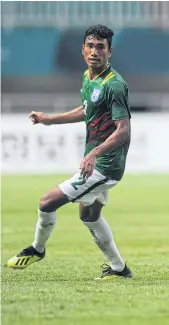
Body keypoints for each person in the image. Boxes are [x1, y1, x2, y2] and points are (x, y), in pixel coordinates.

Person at [7, 25, 133, 280]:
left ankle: (37, 248)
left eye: (101, 47)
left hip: (105, 166)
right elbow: (88, 110)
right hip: (99, 161)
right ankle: (120, 269)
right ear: (82, 49)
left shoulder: (115, 85)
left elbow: (124, 131)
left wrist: (93, 154)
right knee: (89, 215)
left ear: (110, 51)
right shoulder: (89, 77)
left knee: (47, 201)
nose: (94, 51)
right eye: (90, 46)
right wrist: (50, 120)